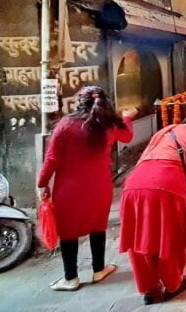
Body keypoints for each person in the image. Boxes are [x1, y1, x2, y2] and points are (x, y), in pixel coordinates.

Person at [37, 86, 136, 291]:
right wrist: (127, 117)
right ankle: (99, 269)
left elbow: (52, 158)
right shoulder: (109, 125)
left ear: (79, 103)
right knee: (98, 225)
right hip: (100, 187)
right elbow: (127, 137)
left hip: (69, 189)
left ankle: (70, 278)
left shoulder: (66, 125)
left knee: (68, 231)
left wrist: (42, 183)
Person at [119, 113, 186, 305]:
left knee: (141, 239)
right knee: (170, 237)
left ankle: (151, 289)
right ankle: (174, 284)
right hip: (165, 185)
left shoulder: (164, 132)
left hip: (133, 186)